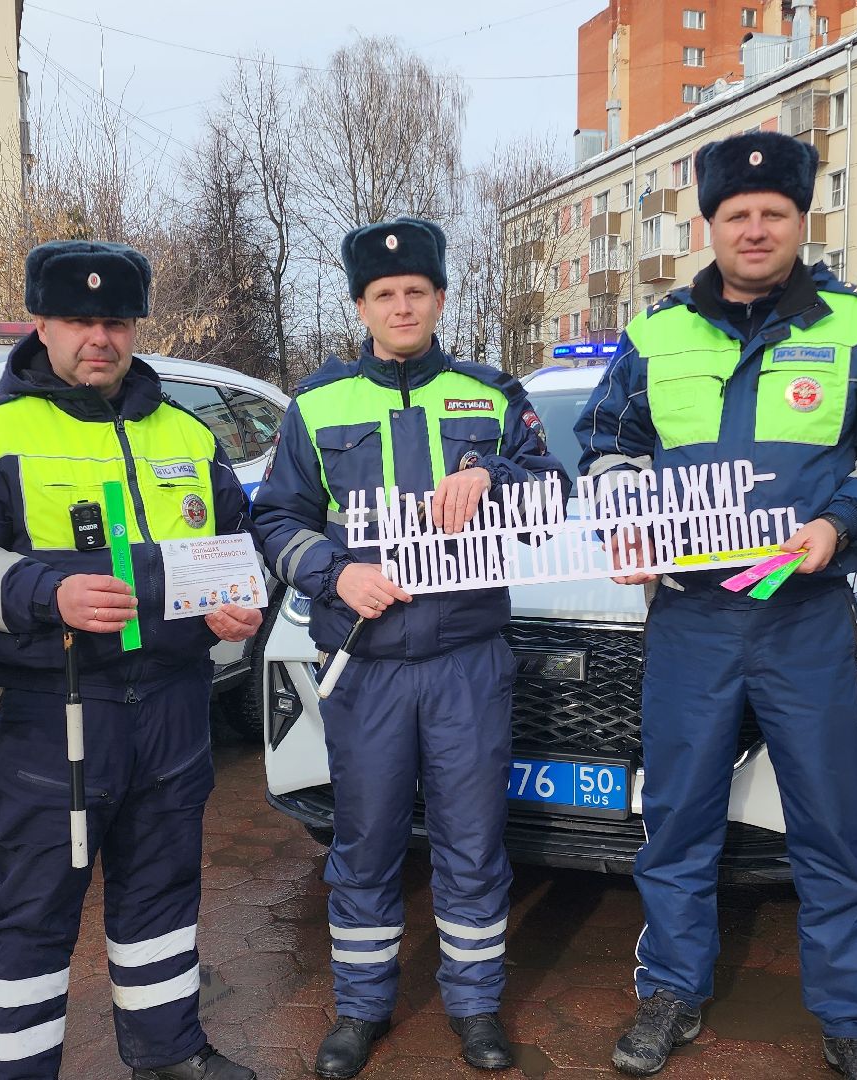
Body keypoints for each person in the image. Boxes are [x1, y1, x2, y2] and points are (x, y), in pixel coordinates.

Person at [574, 130, 857, 1080]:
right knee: (678, 813)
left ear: (799, 220)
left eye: (772, 213)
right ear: (710, 224)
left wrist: (840, 526)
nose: (753, 228)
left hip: (804, 613)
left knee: (829, 819)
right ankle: (670, 989)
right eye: (735, 214)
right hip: (692, 617)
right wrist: (627, 515)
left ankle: (849, 1011)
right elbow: (608, 441)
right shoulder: (657, 334)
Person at [0, 241, 262, 1080]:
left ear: (134, 327)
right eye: (79, 320)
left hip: (174, 702)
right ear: (42, 323)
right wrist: (47, 594)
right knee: (33, 911)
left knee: (162, 891)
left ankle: (168, 1051)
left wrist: (239, 603)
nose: (98, 338)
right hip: (53, 713)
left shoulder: (185, 428)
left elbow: (233, 540)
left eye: (114, 321)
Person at [251, 217, 568, 1078]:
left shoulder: (491, 395)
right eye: (384, 294)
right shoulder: (316, 406)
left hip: (469, 660)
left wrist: (494, 477)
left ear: (437, 299)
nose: (401, 305)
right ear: (361, 304)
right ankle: (360, 1009)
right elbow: (273, 517)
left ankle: (474, 1007)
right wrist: (331, 573)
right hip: (368, 664)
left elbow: (554, 495)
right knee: (366, 840)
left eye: (415, 292)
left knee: (472, 841)